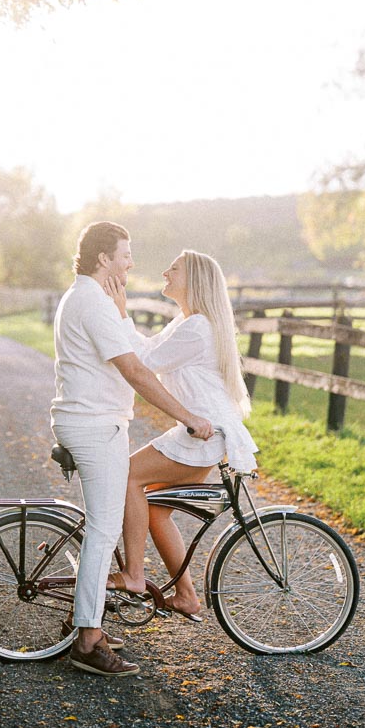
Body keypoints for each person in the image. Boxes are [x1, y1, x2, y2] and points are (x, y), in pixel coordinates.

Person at [51, 222, 214, 678]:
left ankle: (92, 621)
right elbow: (138, 373)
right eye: (126, 253)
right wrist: (187, 417)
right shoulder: (91, 303)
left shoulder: (87, 298)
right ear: (104, 258)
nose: (131, 262)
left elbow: (137, 360)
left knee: (106, 524)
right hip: (94, 425)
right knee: (104, 531)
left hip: (91, 422)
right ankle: (87, 641)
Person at [105, 249, 258, 621]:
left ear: (194, 281)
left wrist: (121, 313)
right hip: (204, 434)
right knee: (156, 510)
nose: (164, 271)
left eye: (173, 268)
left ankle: (134, 575)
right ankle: (186, 595)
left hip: (201, 434)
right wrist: (122, 317)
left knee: (127, 477)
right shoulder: (187, 322)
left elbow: (144, 364)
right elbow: (146, 349)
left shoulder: (197, 328)